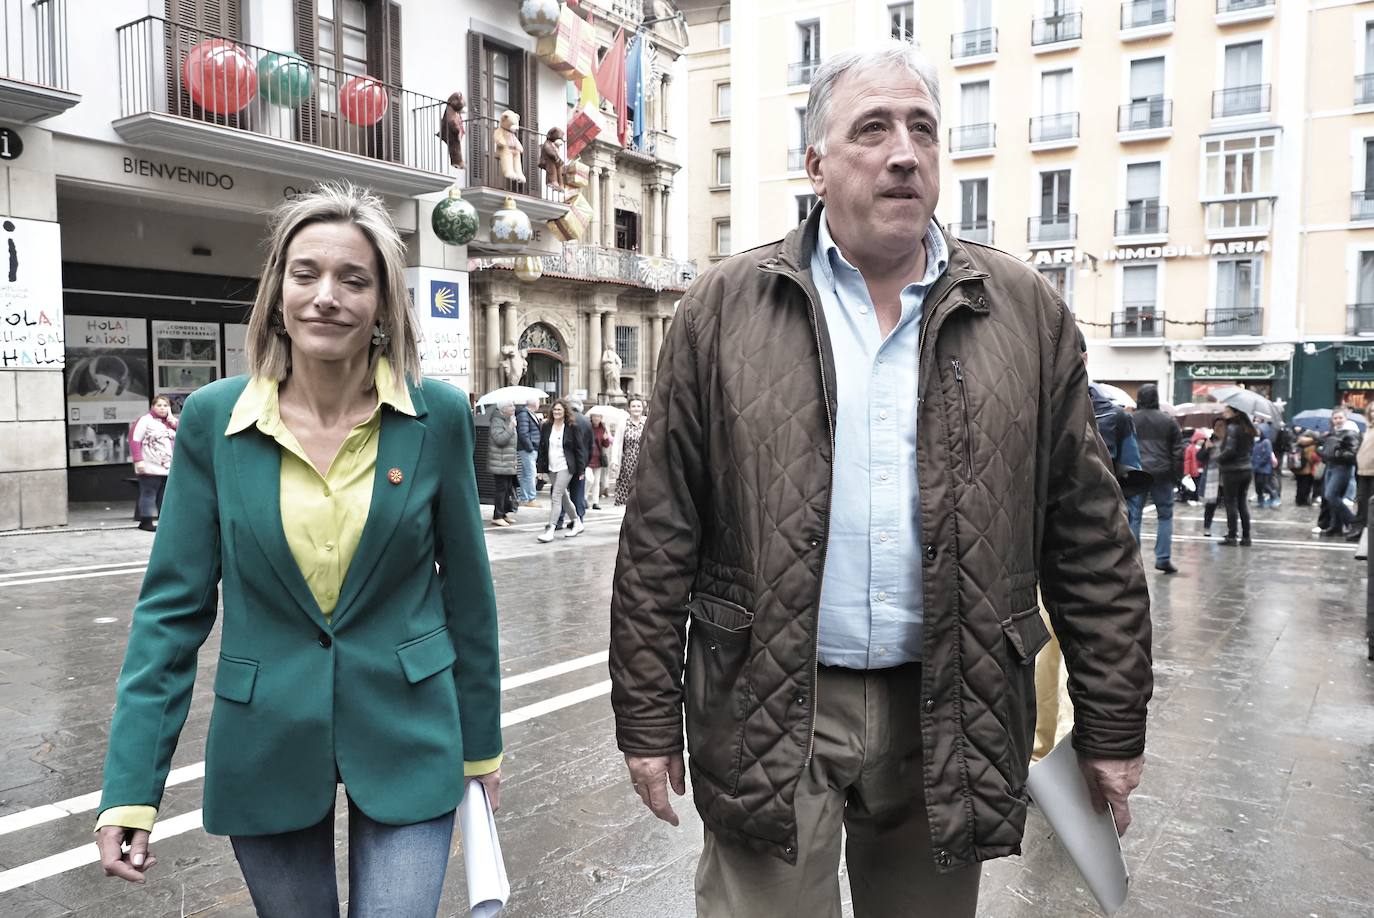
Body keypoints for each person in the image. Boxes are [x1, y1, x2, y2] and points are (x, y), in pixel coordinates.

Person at [607, 44, 1152, 918]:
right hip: (768, 695)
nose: (904, 150)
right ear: (816, 164)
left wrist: (1113, 726)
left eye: (923, 130)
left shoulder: (1024, 312)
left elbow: (1088, 537)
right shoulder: (725, 306)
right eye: (873, 129)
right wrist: (644, 717)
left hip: (955, 701)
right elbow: (661, 530)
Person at [94, 184, 503, 915]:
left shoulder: (435, 414)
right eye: (306, 273)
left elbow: (469, 599)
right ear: (278, 290)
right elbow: (171, 613)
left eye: (354, 279)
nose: (327, 296)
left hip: (411, 734)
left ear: (382, 303)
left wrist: (482, 752)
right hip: (265, 739)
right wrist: (130, 788)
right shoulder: (214, 420)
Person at [1127, 383, 1183, 574]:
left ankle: (1133, 559)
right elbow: (1178, 451)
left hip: (1138, 473)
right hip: (1163, 474)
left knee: (1134, 517)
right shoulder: (1169, 421)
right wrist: (1177, 476)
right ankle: (1163, 557)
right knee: (1165, 515)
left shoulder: (1131, 419)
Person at [537, 397, 586, 542]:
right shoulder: (546, 426)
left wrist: (581, 470)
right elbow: (542, 448)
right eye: (555, 409)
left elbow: (579, 449)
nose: (557, 412)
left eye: (559, 409)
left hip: (566, 466)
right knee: (563, 496)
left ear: (565, 411)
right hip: (552, 465)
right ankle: (577, 522)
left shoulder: (572, 427)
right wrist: (540, 469)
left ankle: (550, 528)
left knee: (556, 495)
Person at [130, 395, 179, 532]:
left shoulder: (171, 422)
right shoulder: (145, 421)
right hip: (149, 465)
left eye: (165, 406)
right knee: (149, 493)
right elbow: (135, 440)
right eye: (159, 405)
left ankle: (162, 521)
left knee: (164, 495)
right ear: (152, 406)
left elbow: (183, 434)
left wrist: (173, 422)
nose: (162, 408)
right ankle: (146, 521)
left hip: (167, 466)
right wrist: (138, 460)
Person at [1217, 406, 1258, 546]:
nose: (1224, 413)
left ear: (1235, 413)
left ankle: (1232, 535)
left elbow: (1230, 450)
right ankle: (1246, 536)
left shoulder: (1233, 428)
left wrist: (1218, 458)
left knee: (1231, 503)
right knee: (1242, 503)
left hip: (1232, 470)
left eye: (1227, 411)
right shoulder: (1248, 428)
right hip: (1246, 468)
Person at [1319, 409, 1360, 536]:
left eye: (1340, 418)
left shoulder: (1350, 433)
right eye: (1335, 418)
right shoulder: (1333, 433)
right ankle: (1336, 526)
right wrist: (1323, 451)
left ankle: (1352, 521)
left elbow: (1353, 453)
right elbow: (1328, 449)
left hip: (1342, 467)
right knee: (1331, 496)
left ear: (1345, 418)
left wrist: (1338, 453)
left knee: (1331, 495)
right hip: (1330, 466)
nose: (1337, 420)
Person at [556, 398, 594, 529]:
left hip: (563, 462)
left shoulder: (564, 421)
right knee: (577, 493)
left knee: (560, 492)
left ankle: (558, 520)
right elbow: (590, 445)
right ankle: (578, 519)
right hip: (580, 463)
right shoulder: (586, 421)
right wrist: (585, 463)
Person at [487, 401, 519, 527]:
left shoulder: (508, 419)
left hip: (508, 461)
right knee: (501, 489)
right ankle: (497, 515)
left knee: (507, 489)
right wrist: (511, 428)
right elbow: (499, 439)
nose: (514, 408)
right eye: (511, 406)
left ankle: (504, 513)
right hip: (499, 462)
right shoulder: (497, 421)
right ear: (503, 409)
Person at [1196, 418, 1227, 537]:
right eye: (1217, 426)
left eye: (1221, 426)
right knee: (1210, 504)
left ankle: (1231, 529)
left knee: (1229, 503)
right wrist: (1206, 448)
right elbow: (1199, 457)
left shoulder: (1229, 441)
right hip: (1212, 478)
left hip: (1226, 476)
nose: (1219, 428)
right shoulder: (1210, 440)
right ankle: (1207, 527)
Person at [613, 397, 646, 506]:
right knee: (628, 494)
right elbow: (617, 443)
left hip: (644, 462)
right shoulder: (624, 423)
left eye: (638, 406)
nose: (636, 409)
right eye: (633, 406)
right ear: (629, 409)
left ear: (642, 408)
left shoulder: (646, 422)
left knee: (642, 491)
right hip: (627, 464)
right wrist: (614, 462)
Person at [516, 398, 542, 506]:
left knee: (527, 473)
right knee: (531, 473)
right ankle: (531, 498)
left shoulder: (529, 414)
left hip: (530, 448)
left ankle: (524, 497)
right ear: (534, 403)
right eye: (539, 401)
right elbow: (523, 433)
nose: (539, 403)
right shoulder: (524, 415)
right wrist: (530, 447)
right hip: (528, 449)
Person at [1351, 421, 1374, 542]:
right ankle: (1361, 529)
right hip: (1363, 470)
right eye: (1371, 411)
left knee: (1371, 502)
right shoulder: (1367, 429)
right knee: (1362, 500)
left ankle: (1368, 531)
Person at [587, 412, 615, 510]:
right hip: (588, 458)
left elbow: (606, 445)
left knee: (596, 481)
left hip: (598, 458)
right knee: (589, 479)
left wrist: (606, 439)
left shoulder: (602, 429)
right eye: (594, 416)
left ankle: (595, 502)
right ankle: (584, 499)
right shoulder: (587, 427)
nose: (596, 418)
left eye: (598, 416)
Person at [1293, 428, 1320, 507]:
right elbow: (1311, 457)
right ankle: (1304, 501)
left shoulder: (1299, 442)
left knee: (1299, 485)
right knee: (1306, 486)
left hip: (1297, 467)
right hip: (1307, 469)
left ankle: (1298, 499)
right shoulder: (1311, 444)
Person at [1251, 427, 1276, 510]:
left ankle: (1273, 495)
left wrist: (1259, 464)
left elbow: (1267, 455)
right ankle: (1260, 502)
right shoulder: (1256, 442)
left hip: (1264, 469)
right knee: (1258, 486)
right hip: (1256, 468)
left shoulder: (1266, 442)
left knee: (1264, 484)